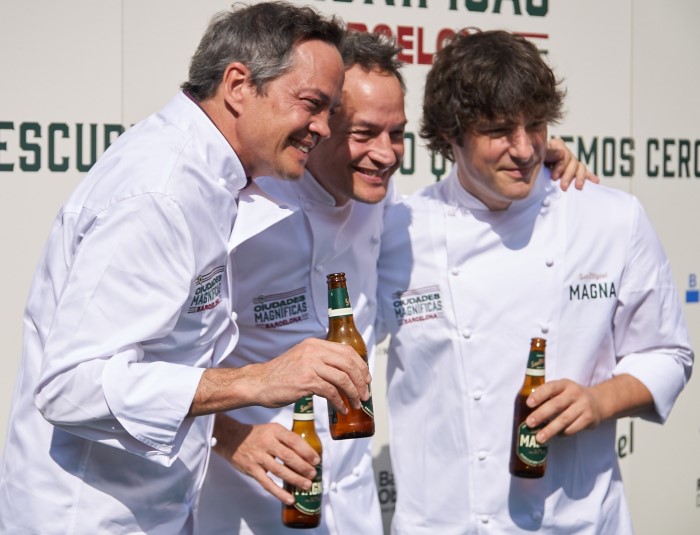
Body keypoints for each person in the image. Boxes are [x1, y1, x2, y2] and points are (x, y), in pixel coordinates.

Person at [197, 31, 595, 534]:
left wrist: (547, 168)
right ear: (317, 125)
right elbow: (153, 366)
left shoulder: (388, 211)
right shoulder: (240, 212)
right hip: (242, 510)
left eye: (396, 134)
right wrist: (230, 437)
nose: (385, 155)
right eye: (364, 134)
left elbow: (481, 208)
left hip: (353, 513)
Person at [0, 3, 374, 534]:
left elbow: (167, 360)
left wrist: (228, 432)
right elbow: (70, 386)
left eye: (330, 112)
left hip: (154, 510)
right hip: (87, 517)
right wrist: (256, 381)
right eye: (312, 104)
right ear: (239, 84)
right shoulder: (162, 191)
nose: (321, 128)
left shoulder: (212, 178)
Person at [375, 29, 694, 534]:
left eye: (537, 125)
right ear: (451, 133)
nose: (524, 149)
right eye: (500, 130)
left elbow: (669, 353)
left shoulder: (610, 219)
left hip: (577, 521)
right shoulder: (397, 233)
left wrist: (598, 401)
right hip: (441, 522)